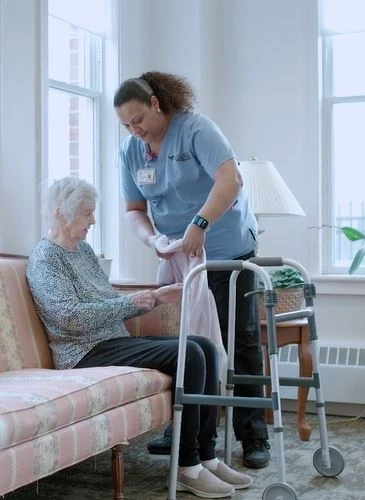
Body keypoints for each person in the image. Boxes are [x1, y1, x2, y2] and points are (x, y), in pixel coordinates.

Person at [26, 177, 253, 499]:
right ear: (63, 214)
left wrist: (155, 298)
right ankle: (187, 467)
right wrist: (132, 302)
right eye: (87, 213)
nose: (93, 220)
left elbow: (107, 303)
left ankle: (206, 455)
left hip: (110, 341)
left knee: (203, 345)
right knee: (189, 352)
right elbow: (69, 317)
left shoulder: (83, 251)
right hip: (82, 352)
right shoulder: (46, 257)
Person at [114, 71, 270, 469]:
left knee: (240, 341)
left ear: (155, 104)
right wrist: (154, 241)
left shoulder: (196, 129)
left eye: (139, 120)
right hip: (180, 259)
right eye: (126, 125)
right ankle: (192, 433)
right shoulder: (131, 151)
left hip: (225, 251)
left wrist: (199, 224)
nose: (135, 131)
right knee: (190, 344)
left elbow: (229, 180)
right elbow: (134, 211)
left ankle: (253, 435)